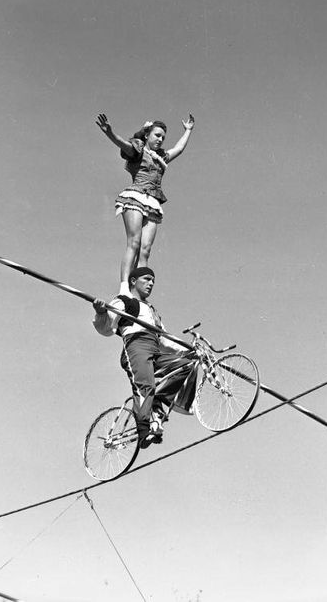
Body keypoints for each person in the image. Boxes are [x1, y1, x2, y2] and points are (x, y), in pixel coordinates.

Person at [92, 267, 197, 448]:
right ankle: (143, 431)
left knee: (187, 365)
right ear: (133, 281)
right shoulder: (124, 301)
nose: (151, 284)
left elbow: (164, 339)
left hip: (155, 349)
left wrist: (187, 351)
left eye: (153, 281)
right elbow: (107, 328)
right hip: (136, 346)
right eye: (147, 279)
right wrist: (101, 313)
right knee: (145, 385)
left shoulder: (152, 310)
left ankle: (158, 399)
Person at [96, 113, 195, 295]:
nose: (160, 139)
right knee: (133, 242)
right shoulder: (138, 150)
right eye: (157, 135)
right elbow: (122, 144)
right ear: (147, 135)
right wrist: (109, 133)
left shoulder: (162, 156)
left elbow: (179, 149)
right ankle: (124, 287)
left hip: (153, 203)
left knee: (145, 250)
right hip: (136, 197)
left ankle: (139, 292)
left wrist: (188, 131)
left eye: (163, 137)